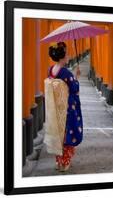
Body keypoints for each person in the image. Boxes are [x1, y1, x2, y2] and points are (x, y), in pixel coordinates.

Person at [48, 41, 83, 172]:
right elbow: (74, 89)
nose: (69, 56)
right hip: (67, 108)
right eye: (67, 54)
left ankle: (59, 162)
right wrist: (77, 77)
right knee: (68, 134)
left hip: (56, 107)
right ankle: (66, 162)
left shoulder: (50, 70)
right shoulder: (65, 73)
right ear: (62, 57)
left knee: (58, 134)